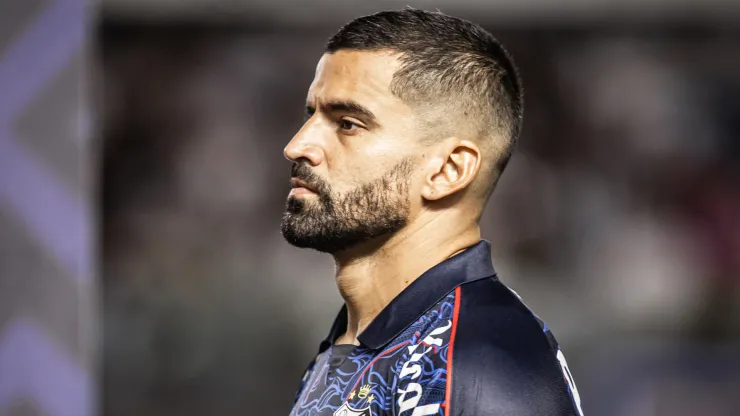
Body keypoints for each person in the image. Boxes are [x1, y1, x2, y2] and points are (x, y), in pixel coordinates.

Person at [281, 8, 583, 416]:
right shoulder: (358, 341)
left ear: (448, 170)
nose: (298, 146)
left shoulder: (484, 364)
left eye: (348, 123)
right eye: (311, 115)